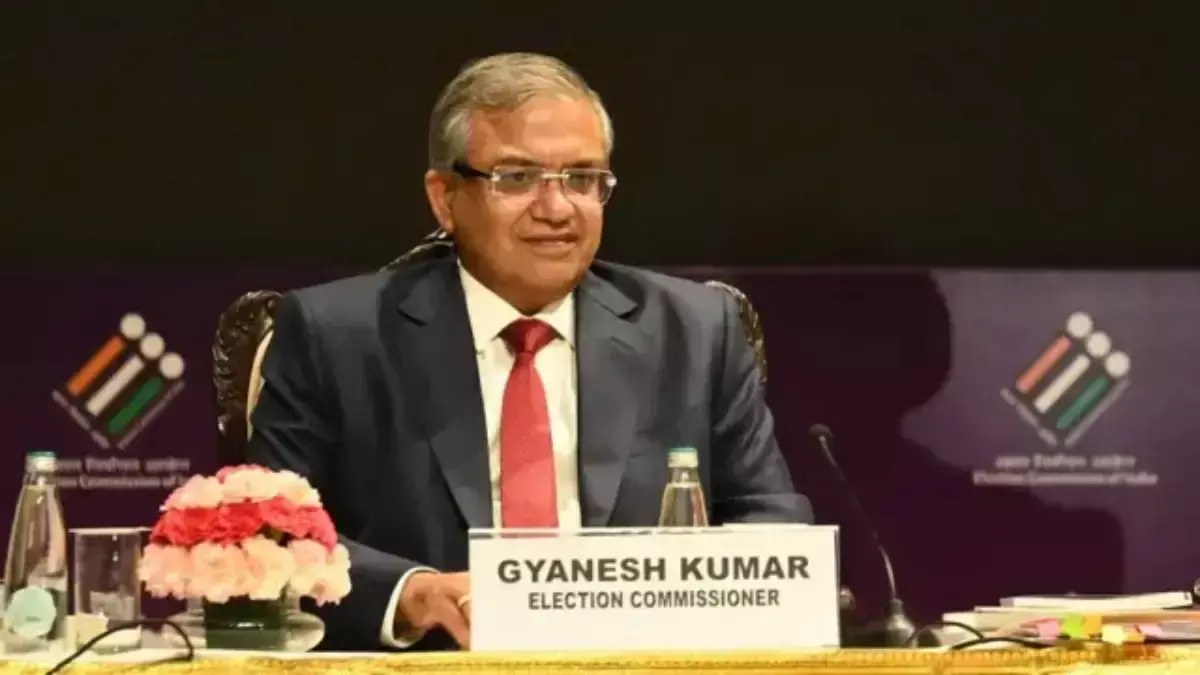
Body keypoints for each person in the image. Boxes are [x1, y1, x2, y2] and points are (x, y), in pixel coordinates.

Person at [245, 52, 812, 652]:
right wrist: (412, 594)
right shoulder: (338, 335)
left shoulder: (695, 330)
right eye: (516, 178)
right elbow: (268, 532)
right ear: (445, 198)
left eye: (582, 178)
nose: (557, 208)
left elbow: (771, 523)